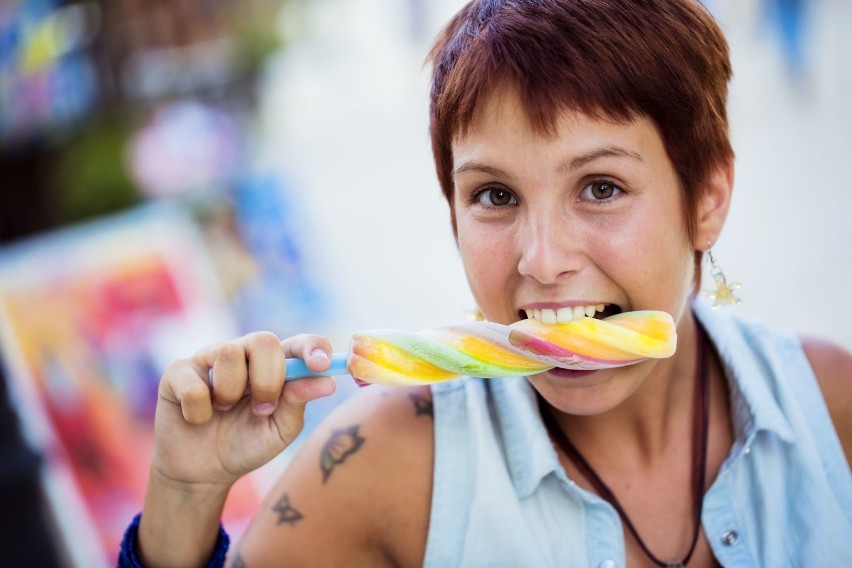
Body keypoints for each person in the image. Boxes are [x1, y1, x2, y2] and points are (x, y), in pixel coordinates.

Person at [122, 1, 852, 566]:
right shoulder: (388, 465)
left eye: (600, 187)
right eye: (495, 196)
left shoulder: (830, 407)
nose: (541, 258)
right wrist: (184, 495)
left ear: (707, 199)